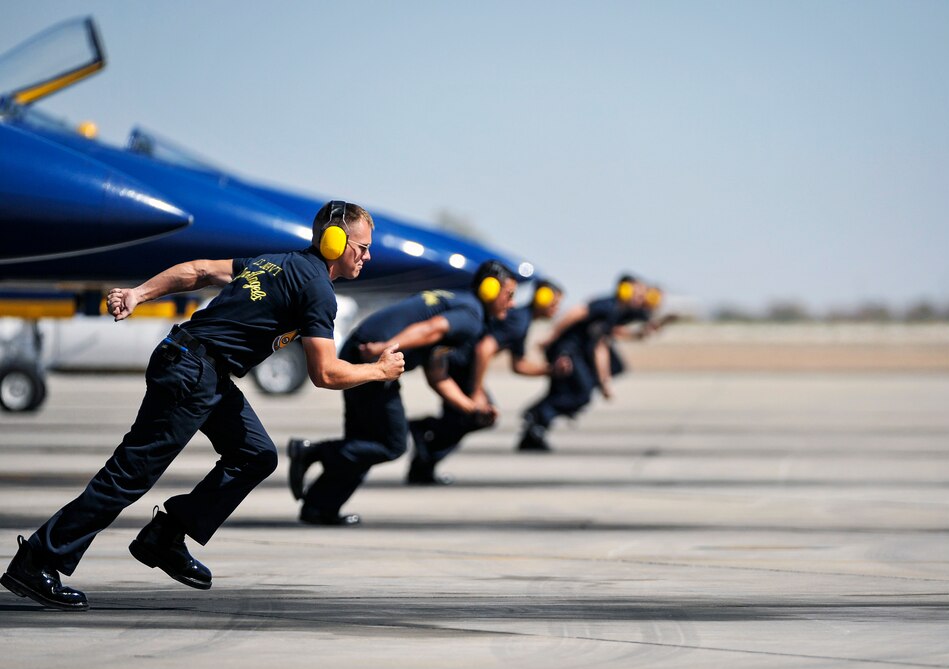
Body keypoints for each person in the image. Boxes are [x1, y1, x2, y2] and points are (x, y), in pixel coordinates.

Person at [0, 201, 405, 611]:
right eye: (362, 247)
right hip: (193, 373)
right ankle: (37, 561)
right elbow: (325, 373)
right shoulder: (318, 289)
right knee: (130, 474)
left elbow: (198, 270)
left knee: (255, 454)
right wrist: (379, 371)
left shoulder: (272, 262)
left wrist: (139, 293)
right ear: (335, 243)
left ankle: (166, 536)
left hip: (197, 367)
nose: (368, 256)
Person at [287, 260, 518, 523]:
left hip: (364, 352)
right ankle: (314, 452)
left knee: (363, 442)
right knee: (391, 444)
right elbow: (433, 329)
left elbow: (436, 373)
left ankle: (319, 509)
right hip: (373, 358)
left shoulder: (461, 303)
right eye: (509, 295)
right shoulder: (472, 316)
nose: (511, 304)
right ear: (489, 289)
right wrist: (385, 347)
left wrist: (472, 409)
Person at [407, 278, 564, 484]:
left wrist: (550, 370)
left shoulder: (520, 320)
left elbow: (519, 366)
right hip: (460, 365)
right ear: (543, 299)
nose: (557, 309)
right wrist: (477, 389)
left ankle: (423, 466)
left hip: (462, 366)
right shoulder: (519, 321)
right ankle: (424, 433)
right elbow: (485, 348)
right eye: (555, 303)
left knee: (462, 419)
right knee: (478, 416)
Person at [518, 274, 650, 452]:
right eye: (639, 294)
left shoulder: (615, 310)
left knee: (583, 385)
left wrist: (604, 381)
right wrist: (551, 336)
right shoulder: (606, 305)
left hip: (575, 352)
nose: (641, 300)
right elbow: (577, 312)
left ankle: (535, 429)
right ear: (624, 291)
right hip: (565, 350)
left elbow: (602, 342)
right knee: (581, 393)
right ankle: (537, 414)